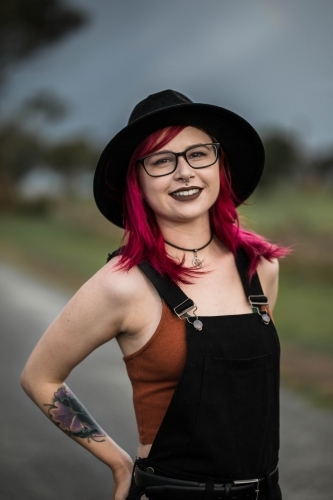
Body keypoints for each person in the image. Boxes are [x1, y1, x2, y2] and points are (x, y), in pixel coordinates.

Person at [21, 89, 288, 500]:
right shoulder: (122, 284)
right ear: (138, 182)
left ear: (220, 166)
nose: (185, 172)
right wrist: (117, 460)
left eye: (198, 153)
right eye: (162, 161)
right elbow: (40, 377)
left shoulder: (260, 268)